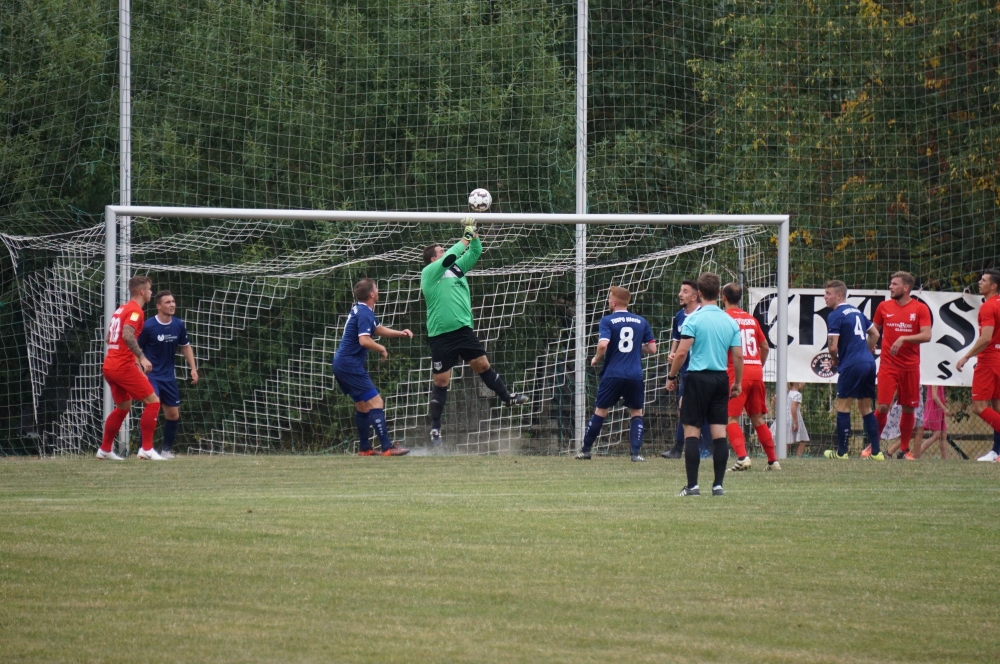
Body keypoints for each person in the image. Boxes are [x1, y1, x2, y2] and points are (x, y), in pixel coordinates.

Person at [421, 219, 528, 447]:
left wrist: (475, 235)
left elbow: (475, 252)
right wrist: (465, 237)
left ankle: (507, 398)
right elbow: (452, 254)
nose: (444, 251)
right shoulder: (429, 273)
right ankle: (435, 430)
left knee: (483, 366)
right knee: (441, 381)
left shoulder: (457, 269)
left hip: (464, 331)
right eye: (440, 250)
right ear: (433, 258)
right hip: (441, 335)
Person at [665, 272, 743, 497]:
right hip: (720, 379)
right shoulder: (729, 320)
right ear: (719, 293)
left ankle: (692, 486)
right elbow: (738, 357)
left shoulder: (693, 319)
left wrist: (671, 377)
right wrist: (737, 382)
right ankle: (718, 486)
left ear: (699, 294)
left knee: (692, 432)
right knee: (719, 433)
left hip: (697, 378)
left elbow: (681, 353)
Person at [333, 278, 413, 456]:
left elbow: (378, 329)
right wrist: (381, 348)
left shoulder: (362, 310)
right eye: (376, 288)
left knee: (362, 405)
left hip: (342, 363)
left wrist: (400, 333)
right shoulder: (364, 313)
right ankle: (387, 447)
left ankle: (365, 449)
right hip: (349, 365)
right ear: (371, 294)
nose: (378, 291)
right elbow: (364, 340)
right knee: (376, 402)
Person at [575, 286, 656, 461]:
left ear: (614, 302)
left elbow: (603, 344)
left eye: (609, 298)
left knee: (601, 410)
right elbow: (652, 349)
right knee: (636, 412)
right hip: (634, 374)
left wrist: (596, 358)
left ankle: (586, 450)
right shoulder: (641, 321)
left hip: (613, 373)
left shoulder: (607, 320)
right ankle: (635, 454)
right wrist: (635, 347)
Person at [97, 275, 162, 461]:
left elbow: (109, 337)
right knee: (153, 402)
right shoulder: (136, 311)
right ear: (142, 292)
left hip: (110, 364)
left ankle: (105, 449)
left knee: (123, 407)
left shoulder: (121, 309)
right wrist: (141, 358)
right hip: (122, 366)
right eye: (149, 289)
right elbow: (127, 334)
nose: (151, 293)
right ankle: (146, 450)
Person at [869, 271, 932, 460]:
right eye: (890, 284)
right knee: (882, 406)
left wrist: (904, 338)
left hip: (910, 366)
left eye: (894, 284)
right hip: (888, 365)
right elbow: (874, 331)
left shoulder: (920, 309)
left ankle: (904, 450)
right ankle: (873, 447)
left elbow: (926, 335)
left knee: (908, 407)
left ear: (906, 288)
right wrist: (868, 347)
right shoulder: (883, 306)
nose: (890, 287)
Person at [721, 282, 780, 471]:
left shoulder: (724, 318)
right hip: (756, 372)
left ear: (723, 298)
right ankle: (773, 461)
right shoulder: (751, 319)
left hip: (737, 372)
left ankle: (743, 457)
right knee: (758, 419)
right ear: (740, 299)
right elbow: (764, 346)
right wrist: (757, 365)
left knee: (730, 419)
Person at [822, 280, 882, 460]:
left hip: (852, 364)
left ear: (839, 296)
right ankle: (877, 453)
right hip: (869, 363)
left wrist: (835, 360)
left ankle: (841, 452)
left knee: (843, 405)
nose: (825, 297)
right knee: (866, 407)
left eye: (828, 294)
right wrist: (865, 348)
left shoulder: (836, 315)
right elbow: (876, 334)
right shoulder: (857, 311)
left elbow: (832, 347)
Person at [137, 290, 199, 459]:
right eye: (167, 302)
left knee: (173, 414)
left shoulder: (178, 324)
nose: (172, 305)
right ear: (158, 306)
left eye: (173, 301)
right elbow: (136, 349)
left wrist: (193, 368)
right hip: (152, 376)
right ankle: (144, 449)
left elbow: (185, 346)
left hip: (169, 377)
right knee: (152, 408)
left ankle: (165, 451)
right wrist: (140, 366)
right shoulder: (149, 326)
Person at [661, 280, 712, 460]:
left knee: (696, 410)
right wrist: (672, 354)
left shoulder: (703, 315)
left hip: (701, 369)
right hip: (685, 371)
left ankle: (706, 448)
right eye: (680, 290)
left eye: (684, 291)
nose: (680, 294)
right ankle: (680, 448)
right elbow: (677, 339)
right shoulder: (679, 316)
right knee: (684, 410)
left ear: (695, 296)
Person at [956, 269, 1000, 462]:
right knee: (996, 407)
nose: (979, 282)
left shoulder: (988, 307)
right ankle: (997, 451)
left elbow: (985, 338)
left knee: (979, 407)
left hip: (989, 360)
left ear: (994, 286)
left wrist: (966, 357)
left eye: (983, 280)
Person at [772, 382, 810, 458]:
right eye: (803, 382)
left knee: (786, 440)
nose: (804, 384)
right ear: (798, 383)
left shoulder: (786, 393)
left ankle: (780, 458)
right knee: (803, 439)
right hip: (793, 418)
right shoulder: (797, 394)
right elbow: (793, 408)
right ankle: (797, 458)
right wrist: (795, 422)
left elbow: (774, 400)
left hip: (783, 416)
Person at [883, 391, 924, 458]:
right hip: (911, 399)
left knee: (919, 430)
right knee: (910, 430)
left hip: (918, 399)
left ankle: (915, 457)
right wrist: (892, 399)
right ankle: (891, 452)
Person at [920, 385, 949, 459]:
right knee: (936, 435)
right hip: (934, 408)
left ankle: (945, 459)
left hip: (939, 409)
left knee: (943, 435)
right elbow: (934, 396)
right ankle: (916, 454)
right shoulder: (934, 379)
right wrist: (944, 408)